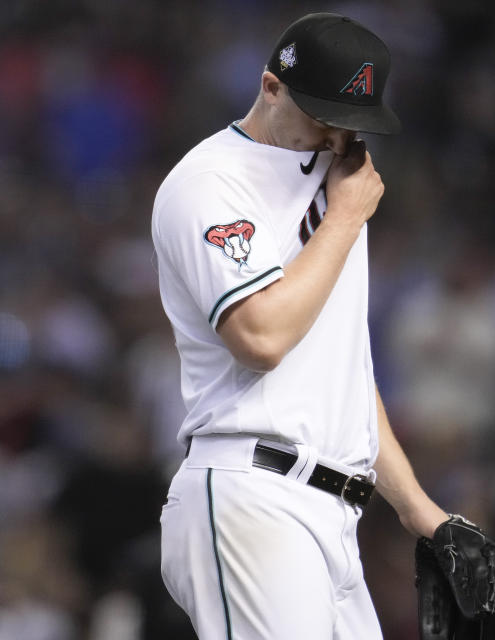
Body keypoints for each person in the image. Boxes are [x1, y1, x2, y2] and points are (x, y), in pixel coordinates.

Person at [151, 12, 447, 639]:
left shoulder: (339, 182)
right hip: (250, 496)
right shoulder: (210, 182)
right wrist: (344, 220)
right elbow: (260, 338)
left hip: (333, 516)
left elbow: (340, 375)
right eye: (324, 116)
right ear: (271, 86)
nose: (338, 138)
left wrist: (423, 514)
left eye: (353, 123)